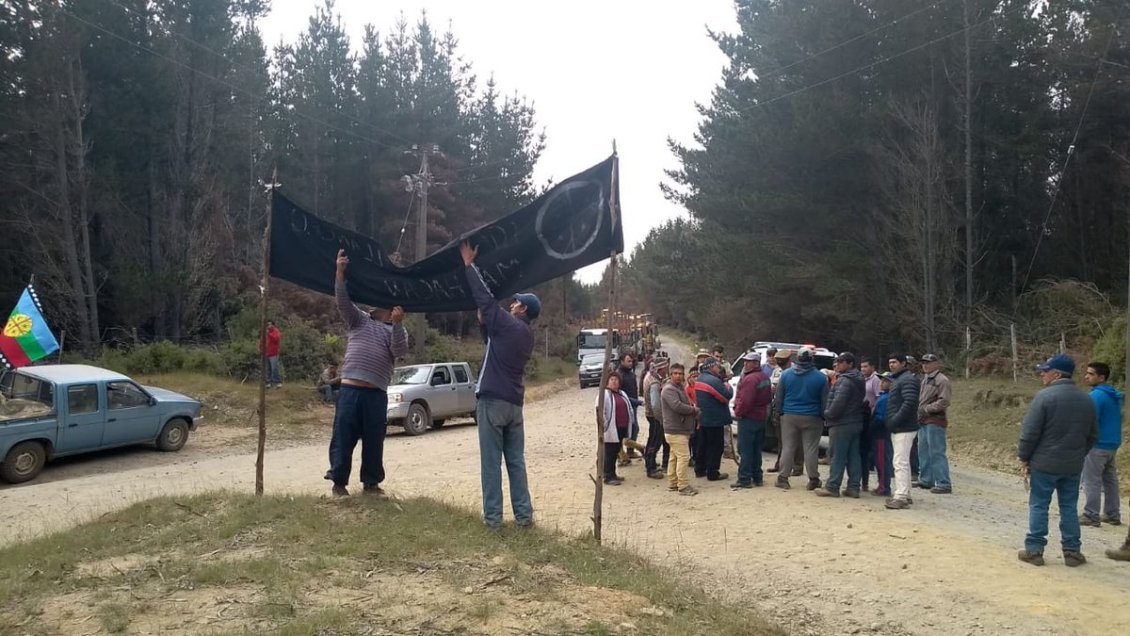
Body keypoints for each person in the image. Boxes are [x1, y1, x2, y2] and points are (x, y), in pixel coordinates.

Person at [460, 241, 539, 529]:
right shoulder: (524, 334)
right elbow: (493, 343)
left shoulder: (510, 324)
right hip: (513, 404)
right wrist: (484, 325)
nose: (512, 304)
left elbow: (486, 299)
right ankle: (524, 517)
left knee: (490, 463)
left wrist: (469, 266)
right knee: (516, 462)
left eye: (516, 303)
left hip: (492, 401)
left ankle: (493, 520)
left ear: (523, 310)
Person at [325, 249, 408, 497]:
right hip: (350, 390)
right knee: (343, 437)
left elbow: (399, 350)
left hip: (376, 393)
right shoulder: (359, 320)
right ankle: (338, 483)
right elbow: (342, 301)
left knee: (374, 440)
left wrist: (397, 323)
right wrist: (340, 272)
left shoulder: (397, 329)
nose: (371, 302)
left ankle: (371, 483)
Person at [1017, 354, 1097, 566]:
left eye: (1045, 371)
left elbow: (1029, 433)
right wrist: (1078, 453)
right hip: (1072, 464)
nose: (1042, 374)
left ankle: (1034, 550)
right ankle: (1072, 551)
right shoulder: (1086, 399)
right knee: (1069, 507)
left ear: (1057, 374)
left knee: (1039, 505)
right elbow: (1092, 435)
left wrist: (1024, 457)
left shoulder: (1044, 397)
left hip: (1044, 463)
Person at [772, 347, 829, 490]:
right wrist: (824, 416)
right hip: (812, 416)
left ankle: (783, 478)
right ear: (812, 359)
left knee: (788, 447)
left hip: (789, 415)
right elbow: (825, 400)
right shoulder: (821, 378)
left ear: (797, 359)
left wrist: (778, 413)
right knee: (810, 449)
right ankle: (813, 479)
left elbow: (779, 397)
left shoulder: (786, 375)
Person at [816, 352, 866, 498]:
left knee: (837, 455)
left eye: (841, 361)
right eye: (837, 361)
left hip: (842, 422)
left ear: (850, 364)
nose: (837, 364)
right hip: (855, 421)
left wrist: (828, 413)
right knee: (853, 456)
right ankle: (854, 487)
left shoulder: (845, 380)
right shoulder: (858, 378)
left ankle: (832, 486)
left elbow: (839, 402)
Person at [1080, 361, 1123, 527]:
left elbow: (1089, 420)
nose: (1086, 376)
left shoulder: (1096, 396)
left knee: (1091, 480)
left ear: (1101, 377)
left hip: (1097, 444)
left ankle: (1091, 514)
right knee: (1110, 480)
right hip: (1112, 443)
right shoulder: (1114, 395)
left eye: (1091, 374)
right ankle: (1112, 513)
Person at [884, 353, 921, 510]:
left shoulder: (907, 379)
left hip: (904, 427)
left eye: (895, 362)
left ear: (903, 363)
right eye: (890, 362)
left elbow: (910, 402)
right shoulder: (899, 379)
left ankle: (900, 496)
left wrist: (895, 420)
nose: (891, 365)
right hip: (901, 426)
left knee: (899, 462)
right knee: (902, 461)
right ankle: (906, 494)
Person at [732, 351, 772, 489]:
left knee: (746, 450)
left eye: (748, 361)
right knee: (756, 449)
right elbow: (768, 398)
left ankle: (744, 479)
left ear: (755, 363)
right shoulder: (765, 377)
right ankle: (757, 477)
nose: (745, 364)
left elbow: (746, 401)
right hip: (761, 417)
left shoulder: (750, 379)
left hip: (749, 418)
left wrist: (738, 412)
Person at [917, 353, 953, 494]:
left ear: (936, 364)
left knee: (936, 452)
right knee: (923, 451)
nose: (925, 365)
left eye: (928, 362)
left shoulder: (941, 380)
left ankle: (943, 482)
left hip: (935, 419)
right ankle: (926, 480)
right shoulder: (925, 379)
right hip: (924, 419)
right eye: (923, 363)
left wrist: (927, 409)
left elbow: (944, 401)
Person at [662, 363, 700, 495]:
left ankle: (673, 482)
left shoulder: (678, 388)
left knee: (674, 457)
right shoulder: (669, 389)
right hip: (675, 429)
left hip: (678, 429)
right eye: (675, 373)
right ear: (671, 374)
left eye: (680, 373)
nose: (678, 376)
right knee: (684, 457)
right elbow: (677, 406)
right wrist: (694, 410)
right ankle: (683, 486)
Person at [694, 357, 732, 482]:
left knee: (703, 445)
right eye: (717, 366)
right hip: (715, 419)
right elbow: (726, 396)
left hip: (703, 418)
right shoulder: (713, 381)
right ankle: (713, 472)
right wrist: (727, 385)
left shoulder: (700, 378)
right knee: (715, 447)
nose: (718, 368)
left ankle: (700, 469)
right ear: (711, 366)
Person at [597, 372, 636, 486]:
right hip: (610, 429)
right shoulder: (603, 395)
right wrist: (604, 425)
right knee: (609, 452)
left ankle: (613, 474)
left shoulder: (622, 393)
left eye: (616, 380)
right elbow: (600, 411)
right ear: (607, 382)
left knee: (616, 451)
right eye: (612, 379)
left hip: (621, 427)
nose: (614, 381)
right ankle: (608, 476)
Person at [642, 356, 671, 479]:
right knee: (655, 441)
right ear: (661, 369)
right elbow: (655, 404)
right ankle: (651, 468)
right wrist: (661, 419)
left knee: (652, 440)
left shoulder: (649, 376)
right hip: (655, 417)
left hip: (651, 414)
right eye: (665, 368)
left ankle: (650, 463)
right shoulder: (654, 383)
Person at [615, 352, 644, 463]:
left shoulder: (629, 372)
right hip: (625, 407)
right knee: (625, 430)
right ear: (622, 361)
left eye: (632, 361)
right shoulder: (619, 375)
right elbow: (622, 395)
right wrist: (638, 402)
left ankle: (630, 451)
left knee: (633, 429)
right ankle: (620, 454)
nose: (631, 363)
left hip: (632, 406)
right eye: (628, 361)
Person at [870, 373, 894, 497]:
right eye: (881, 380)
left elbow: (881, 417)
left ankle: (884, 487)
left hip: (881, 433)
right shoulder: (883, 396)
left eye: (885, 381)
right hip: (880, 433)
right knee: (880, 460)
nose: (881, 383)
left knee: (882, 461)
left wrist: (872, 425)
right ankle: (882, 485)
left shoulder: (886, 398)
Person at [858, 357, 880, 491]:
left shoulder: (876, 380)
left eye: (866, 366)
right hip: (862, 416)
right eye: (861, 367)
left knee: (865, 451)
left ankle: (866, 481)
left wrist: (873, 412)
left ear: (872, 367)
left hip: (870, 417)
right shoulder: (862, 380)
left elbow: (878, 397)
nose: (863, 369)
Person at [261, 320, 283, 388]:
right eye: (267, 325)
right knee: (268, 369)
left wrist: (269, 334)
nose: (268, 326)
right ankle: (268, 383)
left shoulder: (276, 331)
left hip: (274, 353)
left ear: (273, 325)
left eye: (270, 324)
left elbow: (276, 339)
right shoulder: (265, 332)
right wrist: (261, 348)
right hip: (266, 353)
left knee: (274, 368)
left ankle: (278, 382)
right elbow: (262, 340)